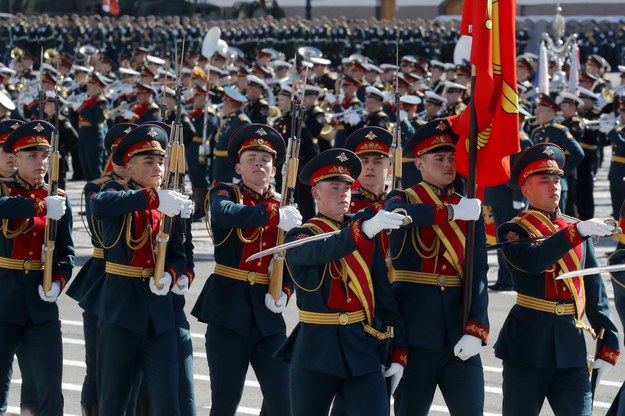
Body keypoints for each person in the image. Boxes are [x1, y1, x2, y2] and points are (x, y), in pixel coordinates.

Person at [277, 148, 407, 416]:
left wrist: (399, 351)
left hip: (361, 349)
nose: (343, 193)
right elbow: (324, 250)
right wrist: (365, 230)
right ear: (315, 192)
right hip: (316, 351)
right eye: (334, 187)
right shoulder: (300, 235)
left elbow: (382, 296)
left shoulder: (360, 233)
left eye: (347, 188)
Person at [495, 143, 620, 416]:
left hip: (570, 346)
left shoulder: (575, 227)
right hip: (527, 348)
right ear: (526, 188)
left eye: (557, 180)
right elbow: (533, 263)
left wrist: (609, 341)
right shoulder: (513, 229)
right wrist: (576, 233)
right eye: (544, 181)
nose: (554, 186)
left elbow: (593, 288)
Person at [192, 123, 301, 416]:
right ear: (238, 167)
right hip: (229, 312)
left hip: (267, 315)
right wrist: (274, 214)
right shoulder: (225, 193)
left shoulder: (282, 205)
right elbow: (225, 215)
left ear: (275, 170)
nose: (259, 165)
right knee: (226, 403)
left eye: (265, 160)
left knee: (284, 400)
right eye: (251, 159)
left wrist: (286, 290)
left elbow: (291, 256)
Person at [385, 118, 489, 416]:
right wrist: (452, 212)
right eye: (439, 158)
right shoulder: (404, 197)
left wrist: (476, 327)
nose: (448, 164)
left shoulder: (469, 206)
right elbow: (396, 214)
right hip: (416, 334)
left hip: (459, 328)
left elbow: (478, 270)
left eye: (452, 158)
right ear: (419, 163)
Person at [90, 124, 190, 415]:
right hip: (121, 309)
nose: (157, 167)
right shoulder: (116, 192)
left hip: (159, 313)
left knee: (168, 401)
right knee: (115, 401)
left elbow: (179, 255)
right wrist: (154, 198)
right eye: (148, 162)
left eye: (160, 161)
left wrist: (172, 275)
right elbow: (101, 205)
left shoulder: (169, 201)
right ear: (129, 167)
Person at [0, 120, 75, 415]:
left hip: (40, 304)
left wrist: (58, 280)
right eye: (31, 156)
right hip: (4, 300)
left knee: (49, 391)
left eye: (44, 156)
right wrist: (39, 207)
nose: (40, 162)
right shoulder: (7, 192)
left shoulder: (57, 197)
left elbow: (66, 252)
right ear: (15, 159)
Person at [66, 122, 134, 416]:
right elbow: (105, 231)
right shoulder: (99, 187)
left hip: (140, 279)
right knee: (97, 362)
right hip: (103, 273)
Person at [530, 93, 584, 215]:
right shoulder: (536, 131)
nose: (537, 113)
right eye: (537, 110)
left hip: (555, 184)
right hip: (538, 184)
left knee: (557, 221)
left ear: (551, 112)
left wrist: (562, 173)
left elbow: (578, 153)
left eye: (541, 111)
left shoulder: (560, 131)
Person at [211, 86, 251, 184]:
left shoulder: (242, 122)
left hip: (230, 173)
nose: (223, 105)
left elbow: (243, 151)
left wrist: (237, 175)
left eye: (224, 102)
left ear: (228, 103)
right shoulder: (231, 120)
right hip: (222, 172)